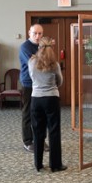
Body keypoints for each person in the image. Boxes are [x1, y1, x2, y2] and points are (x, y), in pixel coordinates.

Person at [30, 37, 67, 172]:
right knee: (54, 131)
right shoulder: (54, 64)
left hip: (36, 99)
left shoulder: (31, 62)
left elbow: (31, 77)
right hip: (51, 98)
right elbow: (60, 81)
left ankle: (38, 164)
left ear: (39, 47)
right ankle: (55, 165)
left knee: (38, 132)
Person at [20, 23, 48, 152]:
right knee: (28, 113)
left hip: (41, 84)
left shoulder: (42, 46)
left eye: (40, 33)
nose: (37, 36)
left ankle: (41, 140)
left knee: (41, 113)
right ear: (29, 33)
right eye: (35, 33)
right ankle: (28, 141)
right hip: (29, 84)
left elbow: (48, 62)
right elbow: (36, 64)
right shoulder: (25, 47)